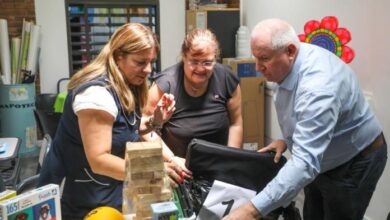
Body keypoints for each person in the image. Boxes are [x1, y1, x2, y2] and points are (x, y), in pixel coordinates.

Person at [224, 18, 387, 220]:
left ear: (290, 52)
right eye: (255, 58)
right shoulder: (287, 59)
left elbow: (304, 164)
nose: (258, 67)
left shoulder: (319, 87)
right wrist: (287, 139)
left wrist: (249, 212)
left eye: (264, 58)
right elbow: (300, 111)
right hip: (323, 158)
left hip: (354, 161)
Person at [38, 23, 178, 219]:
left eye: (151, 62)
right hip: (78, 199)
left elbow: (126, 129)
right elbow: (99, 160)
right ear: (118, 55)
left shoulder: (126, 83)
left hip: (106, 192)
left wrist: (156, 121)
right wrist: (155, 172)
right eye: (140, 62)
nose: (148, 69)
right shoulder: (96, 94)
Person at [142, 28, 243, 179]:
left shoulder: (227, 79)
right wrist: (171, 159)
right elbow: (146, 128)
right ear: (184, 57)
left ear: (215, 59)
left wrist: (230, 160)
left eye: (207, 62)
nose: (200, 68)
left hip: (219, 167)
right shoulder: (166, 84)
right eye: (194, 62)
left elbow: (236, 123)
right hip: (176, 168)